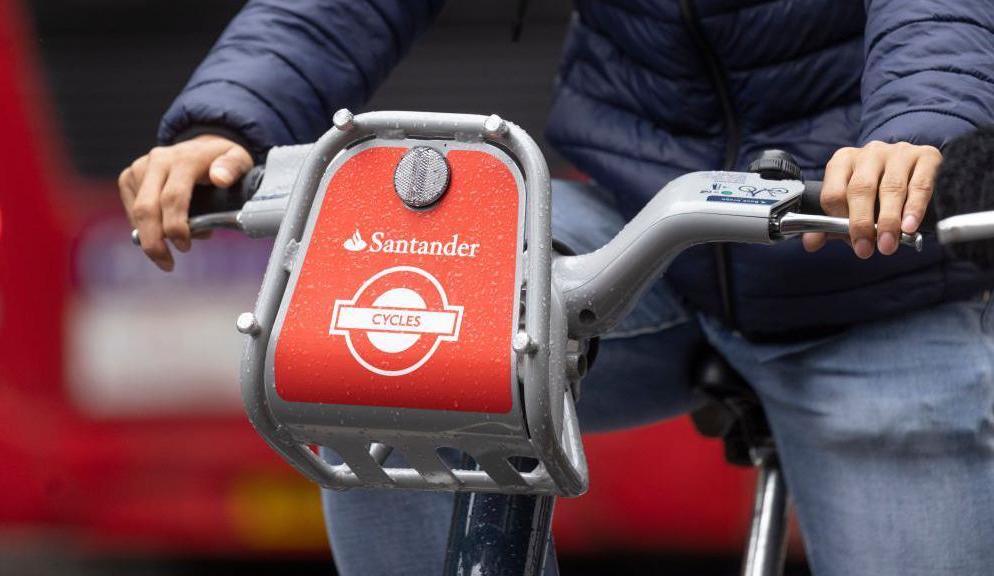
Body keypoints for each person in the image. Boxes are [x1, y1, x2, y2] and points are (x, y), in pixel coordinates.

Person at [118, 1, 994, 575]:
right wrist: (222, 119)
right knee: (406, 355)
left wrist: (920, 133)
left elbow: (939, 17)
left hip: (867, 259)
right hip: (640, 220)